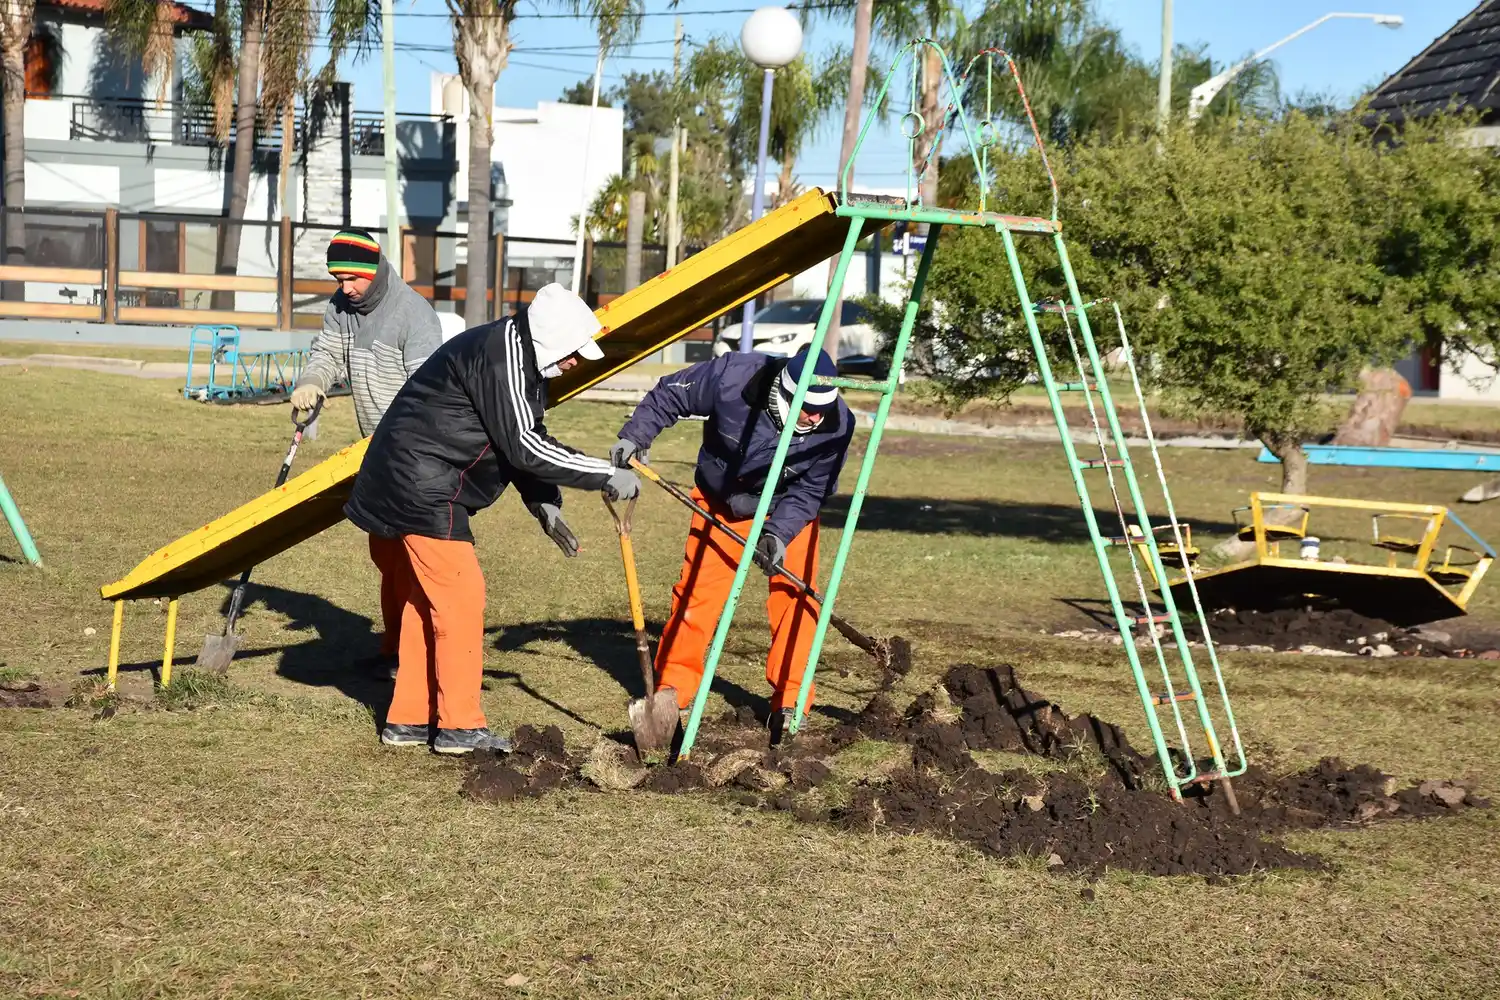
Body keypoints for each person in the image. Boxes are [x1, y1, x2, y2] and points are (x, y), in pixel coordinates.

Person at [345, 283, 641, 755]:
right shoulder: (502, 358)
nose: (576, 363)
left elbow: (515, 436)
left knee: (429, 603)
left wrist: (543, 502)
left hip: (414, 478)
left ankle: (409, 718)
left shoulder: (516, 353)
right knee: (461, 599)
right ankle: (461, 727)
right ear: (549, 339)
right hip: (420, 484)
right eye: (572, 353)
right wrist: (605, 473)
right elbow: (524, 445)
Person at [609, 347, 854, 741]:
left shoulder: (837, 425)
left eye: (822, 408)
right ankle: (672, 689)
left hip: (785, 509)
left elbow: (811, 490)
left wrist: (779, 533)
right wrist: (635, 436)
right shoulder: (733, 377)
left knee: (797, 599)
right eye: (806, 407)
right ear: (784, 391)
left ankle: (790, 702)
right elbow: (671, 393)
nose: (815, 416)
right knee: (696, 597)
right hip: (721, 503)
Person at [290, 230, 443, 673]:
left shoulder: (414, 315)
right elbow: (328, 353)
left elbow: (430, 396)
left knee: (413, 559)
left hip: (416, 454)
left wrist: (406, 451)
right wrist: (313, 379)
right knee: (385, 554)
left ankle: (417, 652)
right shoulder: (342, 308)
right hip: (373, 451)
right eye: (337, 278)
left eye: (352, 278)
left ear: (374, 270)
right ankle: (394, 647)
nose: (345, 288)